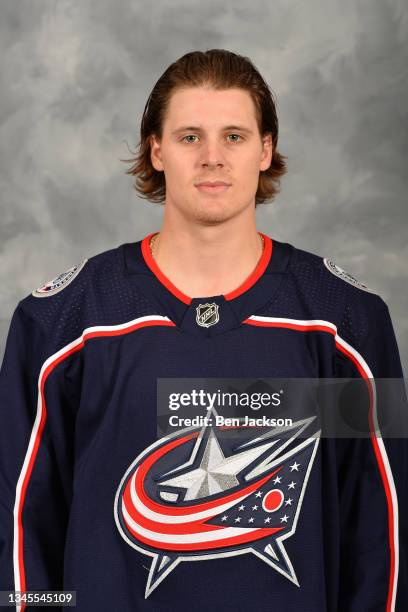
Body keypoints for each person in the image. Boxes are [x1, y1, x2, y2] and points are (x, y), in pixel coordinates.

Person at [0, 48, 406, 611]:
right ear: (157, 150)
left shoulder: (345, 322)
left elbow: (382, 527)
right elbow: (21, 526)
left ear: (266, 150)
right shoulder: (64, 323)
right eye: (190, 136)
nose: (213, 157)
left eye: (234, 137)